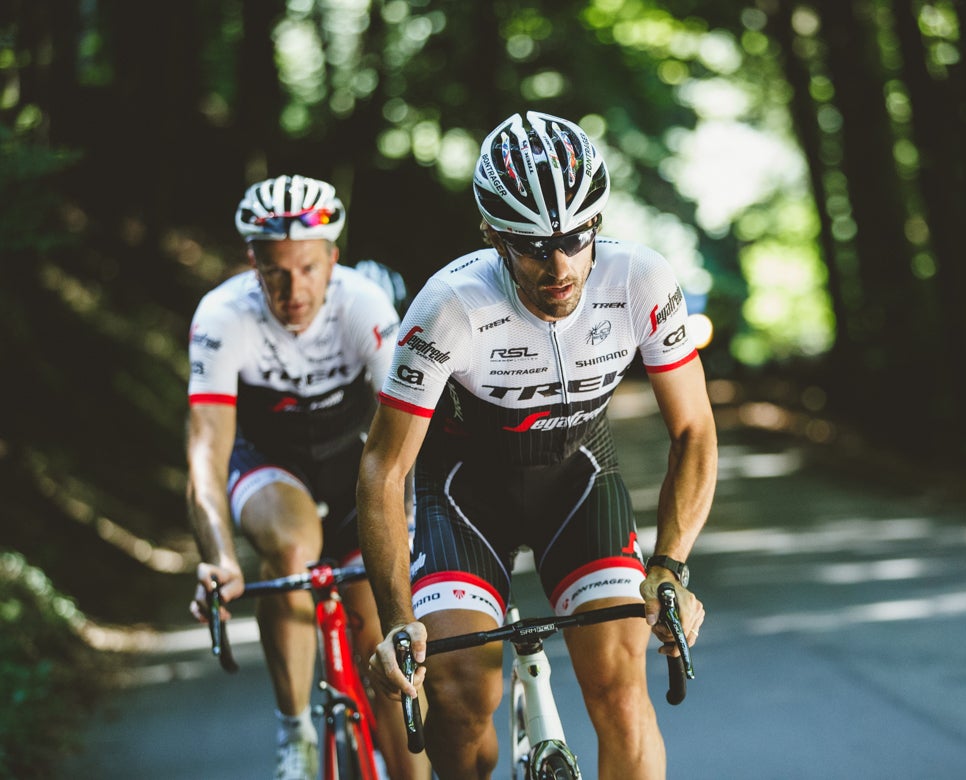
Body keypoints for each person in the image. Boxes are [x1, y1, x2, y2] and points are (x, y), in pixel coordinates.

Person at [357, 111, 718, 779]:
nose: (559, 267)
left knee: (621, 690)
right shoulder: (449, 306)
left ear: (597, 223)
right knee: (460, 700)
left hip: (578, 484)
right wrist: (396, 619)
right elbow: (383, 468)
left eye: (576, 239)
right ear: (492, 234)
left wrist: (669, 563)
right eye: (531, 247)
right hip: (465, 499)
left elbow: (693, 429)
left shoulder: (640, 281)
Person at [186, 174, 430, 780]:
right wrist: (220, 556)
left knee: (384, 638)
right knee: (294, 548)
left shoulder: (365, 306)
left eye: (308, 269)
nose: (293, 290)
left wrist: (413, 529)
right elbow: (206, 451)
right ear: (253, 262)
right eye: (275, 272)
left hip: (352, 467)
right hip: (269, 466)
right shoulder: (222, 315)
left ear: (333, 258)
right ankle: (294, 730)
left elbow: (409, 439)